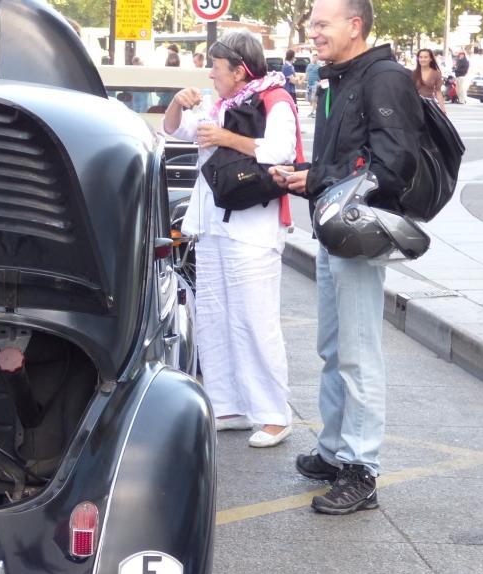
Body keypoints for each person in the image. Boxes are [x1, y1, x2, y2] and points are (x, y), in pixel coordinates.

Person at [269, 0, 423, 515]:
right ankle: (335, 451)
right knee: (334, 348)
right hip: (335, 228)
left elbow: (394, 164)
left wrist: (317, 178)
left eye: (321, 23)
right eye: (311, 23)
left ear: (354, 26)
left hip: (357, 233)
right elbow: (350, 158)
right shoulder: (342, 75)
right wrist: (312, 175)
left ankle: (361, 468)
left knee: (358, 353)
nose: (312, 32)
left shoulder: (384, 78)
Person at [163, 29, 299, 449]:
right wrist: (176, 103)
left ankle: (274, 414)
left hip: (253, 228)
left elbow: (282, 151)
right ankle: (228, 406)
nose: (211, 74)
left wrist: (226, 138)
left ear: (239, 70)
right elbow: (176, 130)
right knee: (215, 317)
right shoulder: (220, 104)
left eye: (216, 67)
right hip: (214, 225)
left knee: (255, 320)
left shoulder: (275, 99)